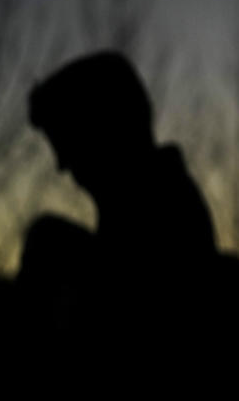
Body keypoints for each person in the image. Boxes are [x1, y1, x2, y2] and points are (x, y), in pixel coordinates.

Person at [28, 51, 218, 350]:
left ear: (104, 129)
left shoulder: (164, 213)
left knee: (48, 237)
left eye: (66, 142)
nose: (61, 165)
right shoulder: (142, 205)